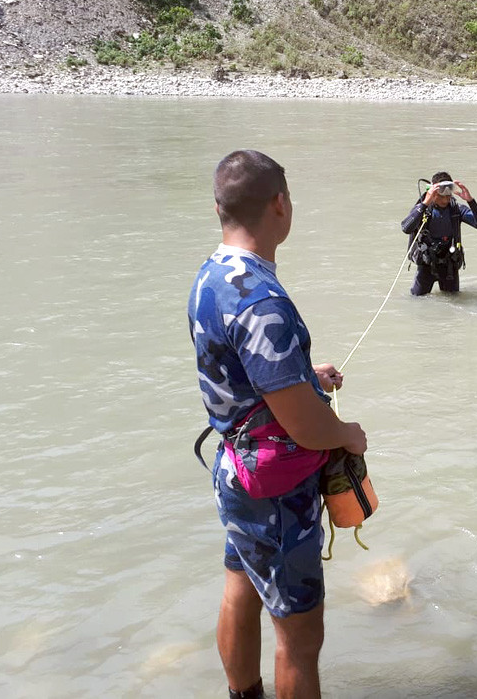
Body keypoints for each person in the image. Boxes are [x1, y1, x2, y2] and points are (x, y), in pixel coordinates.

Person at [188, 150, 368, 699]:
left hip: (234, 471)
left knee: (239, 588)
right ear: (280, 207)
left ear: (220, 207)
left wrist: (299, 374)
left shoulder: (211, 275)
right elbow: (309, 430)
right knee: (299, 636)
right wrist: (347, 434)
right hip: (275, 493)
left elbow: (233, 366)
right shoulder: (263, 299)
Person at [401, 171, 477, 295]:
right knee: (417, 301)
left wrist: (470, 200)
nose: (445, 199)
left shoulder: (456, 210)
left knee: (453, 304)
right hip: (426, 265)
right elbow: (406, 228)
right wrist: (425, 203)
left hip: (449, 267)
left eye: (448, 196)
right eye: (441, 196)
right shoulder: (422, 210)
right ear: (433, 192)